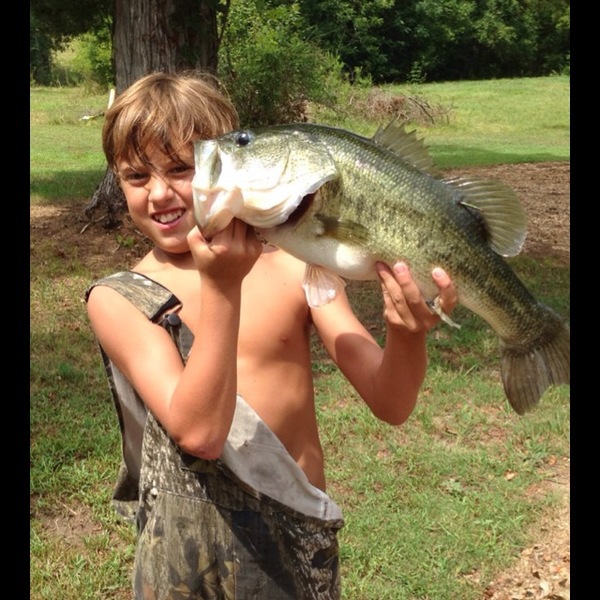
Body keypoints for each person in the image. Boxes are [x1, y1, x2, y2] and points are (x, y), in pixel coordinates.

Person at [85, 71, 457, 600]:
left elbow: (390, 401)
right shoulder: (119, 298)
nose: (160, 193)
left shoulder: (294, 266)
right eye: (136, 176)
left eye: (181, 168)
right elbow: (201, 434)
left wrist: (406, 334)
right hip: (181, 566)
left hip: (292, 557)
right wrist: (222, 288)